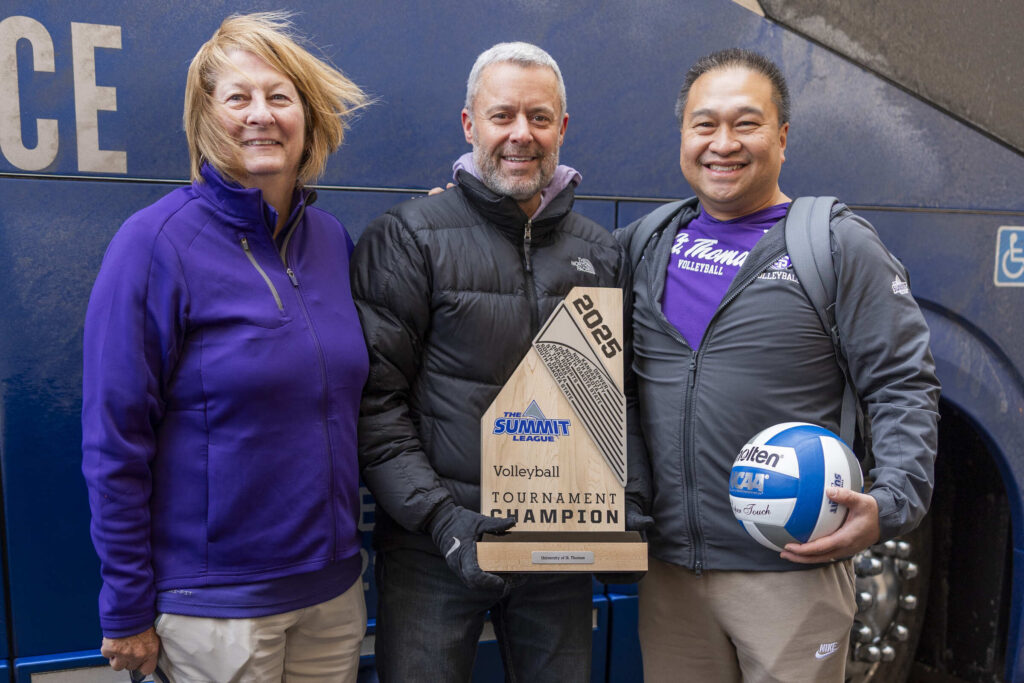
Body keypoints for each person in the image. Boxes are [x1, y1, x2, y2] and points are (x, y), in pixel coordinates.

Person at [615, 49, 941, 682]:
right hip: (671, 573)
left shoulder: (835, 244)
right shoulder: (647, 242)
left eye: (747, 123)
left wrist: (893, 499)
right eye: (704, 125)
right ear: (683, 136)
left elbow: (902, 382)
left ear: (782, 137)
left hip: (789, 571)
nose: (723, 144)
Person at [81, 12, 369, 681]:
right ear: (206, 117)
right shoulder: (154, 243)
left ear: (309, 117)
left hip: (332, 595)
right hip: (217, 610)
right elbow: (113, 438)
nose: (260, 115)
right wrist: (125, 605)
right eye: (237, 97)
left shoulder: (329, 239)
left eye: (280, 96)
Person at [351, 42, 642, 682]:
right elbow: (375, 406)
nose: (520, 134)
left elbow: (617, 398)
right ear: (469, 124)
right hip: (436, 552)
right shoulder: (407, 237)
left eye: (539, 118)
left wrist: (627, 509)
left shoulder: (602, 251)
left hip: (557, 551)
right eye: (502, 115)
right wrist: (441, 518)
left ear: (561, 128)